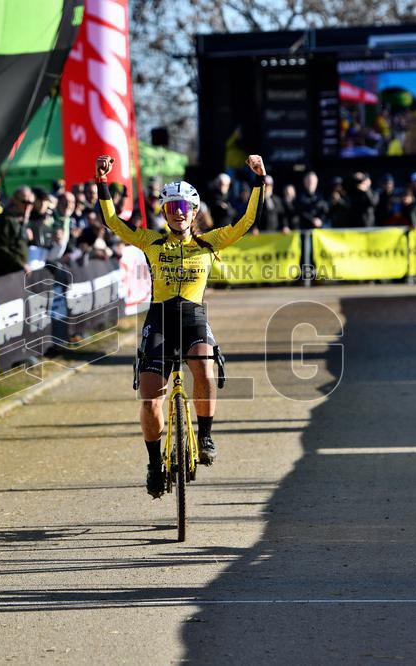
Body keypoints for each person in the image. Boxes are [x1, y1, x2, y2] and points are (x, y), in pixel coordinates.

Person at [94, 152, 266, 498]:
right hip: (158, 320)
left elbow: (247, 221)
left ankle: (204, 435)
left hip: (193, 319)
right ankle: (154, 465)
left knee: (204, 369)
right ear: (163, 212)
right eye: (171, 208)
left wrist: (260, 180)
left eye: (183, 208)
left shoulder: (209, 243)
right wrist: (102, 182)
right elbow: (113, 222)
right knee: (150, 398)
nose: (177, 213)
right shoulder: (150, 242)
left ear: (194, 212)